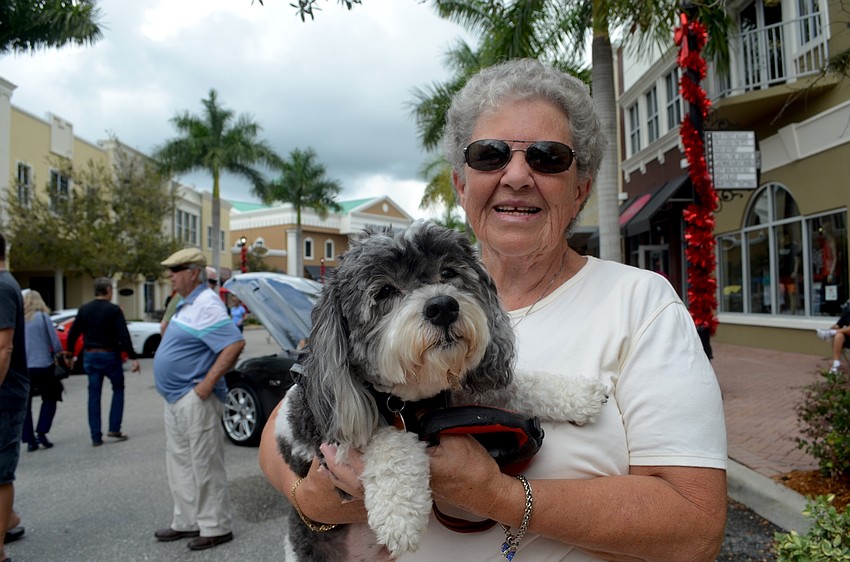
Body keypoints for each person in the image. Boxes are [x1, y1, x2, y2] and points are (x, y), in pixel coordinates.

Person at [258, 58, 728, 561]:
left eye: (548, 157)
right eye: (490, 155)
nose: (518, 176)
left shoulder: (642, 305)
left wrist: (498, 497)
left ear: (581, 190)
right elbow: (283, 431)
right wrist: (311, 502)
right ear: (462, 184)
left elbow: (695, 527)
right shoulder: (377, 303)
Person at [152, 248, 245, 551]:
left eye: (176, 270)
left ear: (193, 272)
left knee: (204, 464)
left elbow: (233, 343)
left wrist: (205, 387)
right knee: (179, 462)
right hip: (177, 398)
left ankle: (216, 526)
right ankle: (187, 521)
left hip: (195, 398)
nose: (170, 276)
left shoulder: (206, 302)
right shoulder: (186, 303)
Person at [66, 277, 141, 447]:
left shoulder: (85, 309)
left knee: (94, 394)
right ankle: (114, 427)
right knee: (118, 388)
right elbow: (123, 335)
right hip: (110, 354)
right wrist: (132, 356)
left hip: (91, 355)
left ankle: (95, 435)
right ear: (108, 290)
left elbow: (73, 333)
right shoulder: (113, 310)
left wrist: (70, 354)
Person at [0, 231, 29, 562]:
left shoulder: (2, 286)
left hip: (6, 394)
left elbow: (4, 347)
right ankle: (7, 521)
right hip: (9, 390)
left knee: (1, 473)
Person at [22, 290, 66, 452]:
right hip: (44, 366)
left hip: (25, 368)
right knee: (50, 399)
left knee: (24, 405)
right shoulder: (42, 317)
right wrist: (58, 354)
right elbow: (55, 343)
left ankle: (29, 439)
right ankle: (42, 431)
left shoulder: (19, 319)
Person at [815, 307, 850, 373]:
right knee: (838, 336)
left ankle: (829, 334)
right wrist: (833, 328)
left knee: (837, 332)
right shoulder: (848, 313)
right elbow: (838, 325)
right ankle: (836, 363)